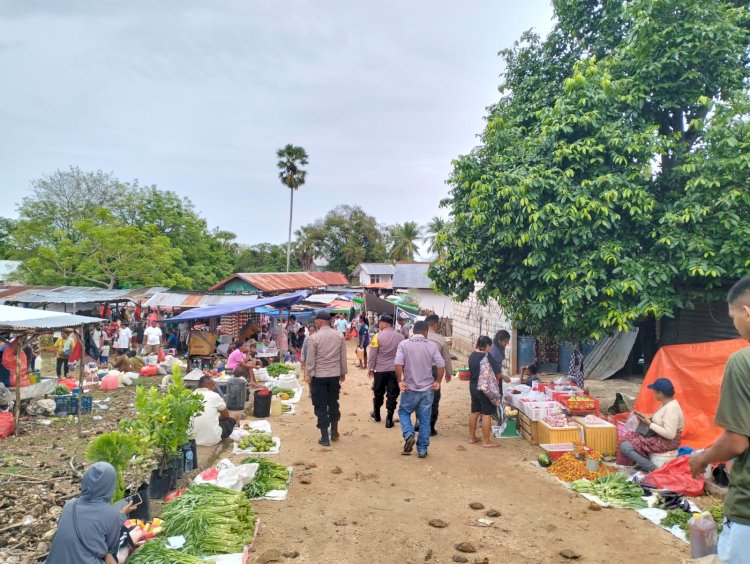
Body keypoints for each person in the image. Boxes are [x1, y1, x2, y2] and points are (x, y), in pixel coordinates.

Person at [689, 277, 750, 562]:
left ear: (746, 311)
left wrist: (702, 458)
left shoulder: (743, 362)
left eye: (733, 316)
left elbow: (736, 441)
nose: (734, 323)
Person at [46, 462, 138, 564]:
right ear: (110, 485)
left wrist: (119, 515)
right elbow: (109, 548)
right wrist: (121, 517)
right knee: (121, 551)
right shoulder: (112, 515)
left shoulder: (70, 505)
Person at [395, 320, 445, 458]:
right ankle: (422, 449)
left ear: (413, 331)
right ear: (426, 332)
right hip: (427, 389)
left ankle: (409, 433)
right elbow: (441, 364)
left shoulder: (404, 344)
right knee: (424, 419)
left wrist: (400, 381)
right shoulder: (431, 345)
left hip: (410, 388)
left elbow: (398, 363)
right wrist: (438, 381)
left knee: (404, 412)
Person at [618, 378, 684, 472]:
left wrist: (649, 423)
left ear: (660, 393)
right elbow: (661, 421)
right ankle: (644, 463)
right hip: (659, 437)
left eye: (654, 392)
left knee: (625, 447)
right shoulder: (666, 404)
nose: (653, 394)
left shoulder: (671, 408)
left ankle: (653, 469)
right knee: (628, 437)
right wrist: (646, 419)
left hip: (667, 442)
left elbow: (670, 434)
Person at [306, 311, 347, 447]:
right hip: (334, 375)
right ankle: (334, 432)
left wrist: (309, 375)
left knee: (320, 406)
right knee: (333, 403)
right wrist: (343, 372)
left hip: (319, 376)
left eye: (316, 321)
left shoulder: (314, 338)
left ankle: (325, 438)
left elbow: (310, 360)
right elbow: (343, 357)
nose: (315, 323)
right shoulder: (339, 335)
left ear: (320, 322)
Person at [367, 314, 404, 428]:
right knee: (392, 395)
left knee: (378, 393)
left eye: (380, 323)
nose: (379, 325)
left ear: (385, 324)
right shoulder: (400, 337)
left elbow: (373, 354)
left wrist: (370, 368)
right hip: (394, 370)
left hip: (380, 370)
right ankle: (389, 419)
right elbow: (403, 355)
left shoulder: (377, 336)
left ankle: (377, 414)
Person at [468, 336, 504, 447]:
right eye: (490, 346)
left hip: (473, 387)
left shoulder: (472, 356)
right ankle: (486, 441)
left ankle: (472, 438)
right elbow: (498, 374)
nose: (490, 348)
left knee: (475, 412)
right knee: (486, 414)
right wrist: (497, 382)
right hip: (484, 389)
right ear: (487, 345)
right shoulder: (487, 357)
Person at [423, 314, 452, 436]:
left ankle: (419, 423)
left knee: (420, 396)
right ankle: (430, 427)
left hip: (420, 369)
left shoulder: (417, 337)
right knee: (434, 399)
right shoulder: (441, 339)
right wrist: (448, 373)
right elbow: (446, 358)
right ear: (435, 325)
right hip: (435, 370)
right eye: (438, 324)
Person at [192, 376, 236, 446]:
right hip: (212, 439)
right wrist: (216, 418)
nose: (214, 388)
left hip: (193, 440)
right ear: (210, 385)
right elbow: (226, 416)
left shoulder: (190, 396)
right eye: (213, 385)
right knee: (234, 415)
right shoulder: (214, 395)